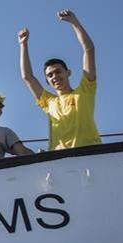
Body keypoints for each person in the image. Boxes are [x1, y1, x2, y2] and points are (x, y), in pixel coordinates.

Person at [19, 9, 99, 150]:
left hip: (90, 155)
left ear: (68, 73)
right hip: (60, 161)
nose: (54, 76)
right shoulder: (48, 102)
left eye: (58, 72)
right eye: (50, 75)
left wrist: (74, 22)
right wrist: (23, 45)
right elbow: (28, 77)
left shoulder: (85, 90)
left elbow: (89, 50)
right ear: (47, 82)